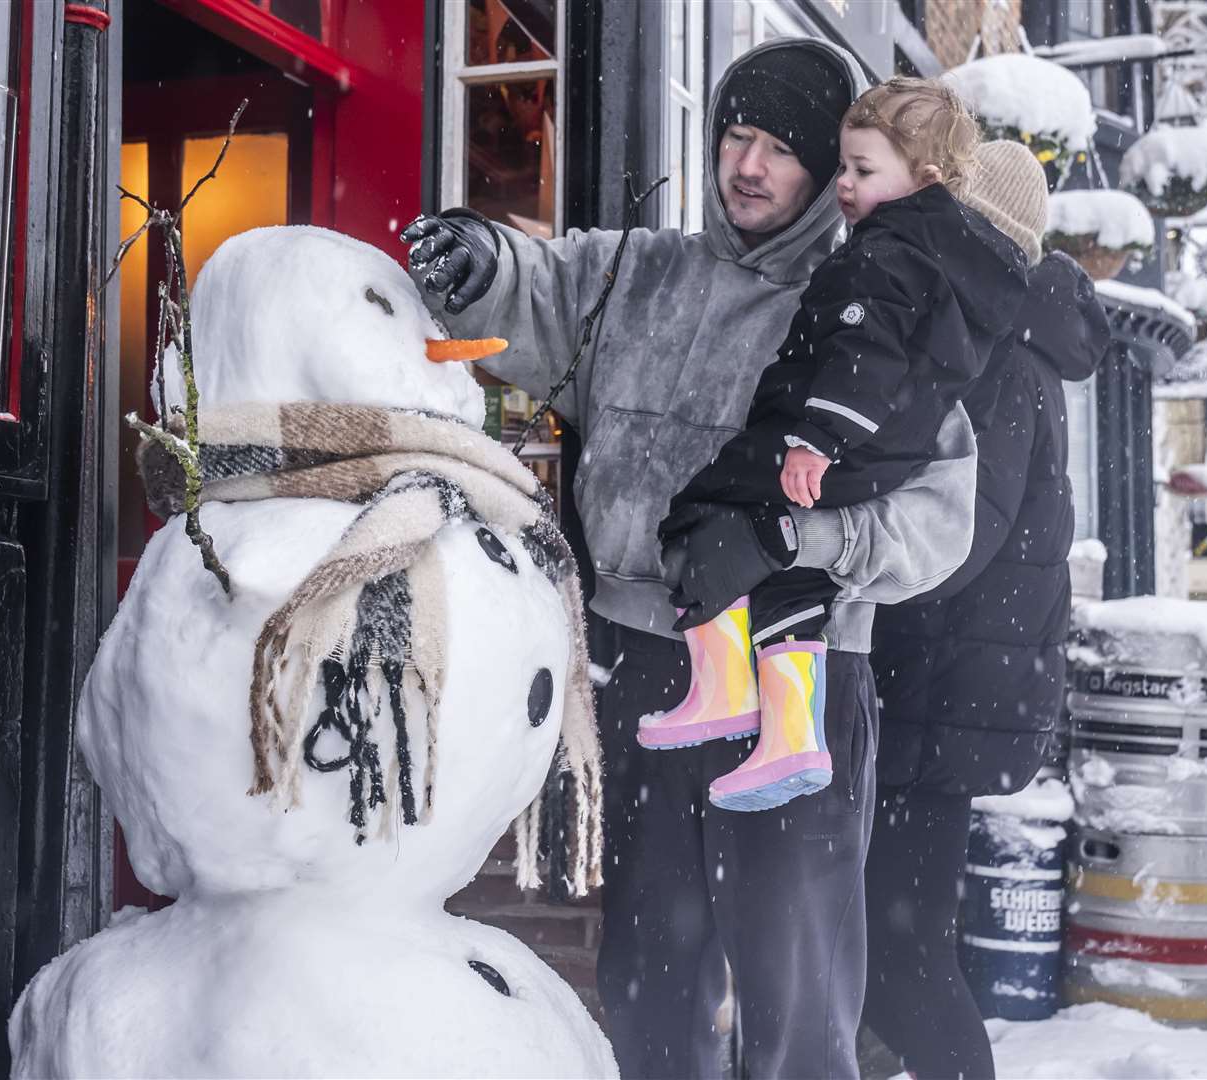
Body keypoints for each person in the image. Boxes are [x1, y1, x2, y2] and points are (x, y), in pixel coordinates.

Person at [401, 39, 978, 1080]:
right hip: (646, 671)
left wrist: (786, 539)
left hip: (792, 672)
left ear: (826, 168)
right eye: (733, 137)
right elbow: (541, 283)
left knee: (792, 987)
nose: (744, 166)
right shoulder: (643, 272)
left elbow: (938, 519)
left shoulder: (873, 299)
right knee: (647, 972)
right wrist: (479, 262)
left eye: (777, 149)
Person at [642, 78, 1027, 815]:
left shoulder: (883, 255)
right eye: (843, 167)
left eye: (862, 171)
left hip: (835, 440)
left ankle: (721, 691)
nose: (843, 185)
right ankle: (793, 739)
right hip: (884, 451)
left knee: (699, 515)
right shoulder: (949, 258)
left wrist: (814, 439)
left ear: (925, 180)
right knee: (794, 582)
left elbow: (865, 353)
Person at [860, 140, 1112, 1080]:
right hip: (948, 693)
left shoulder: (996, 352)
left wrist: (843, 570)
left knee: (900, 958)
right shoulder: (1008, 340)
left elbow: (959, 537)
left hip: (932, 695)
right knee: (890, 951)